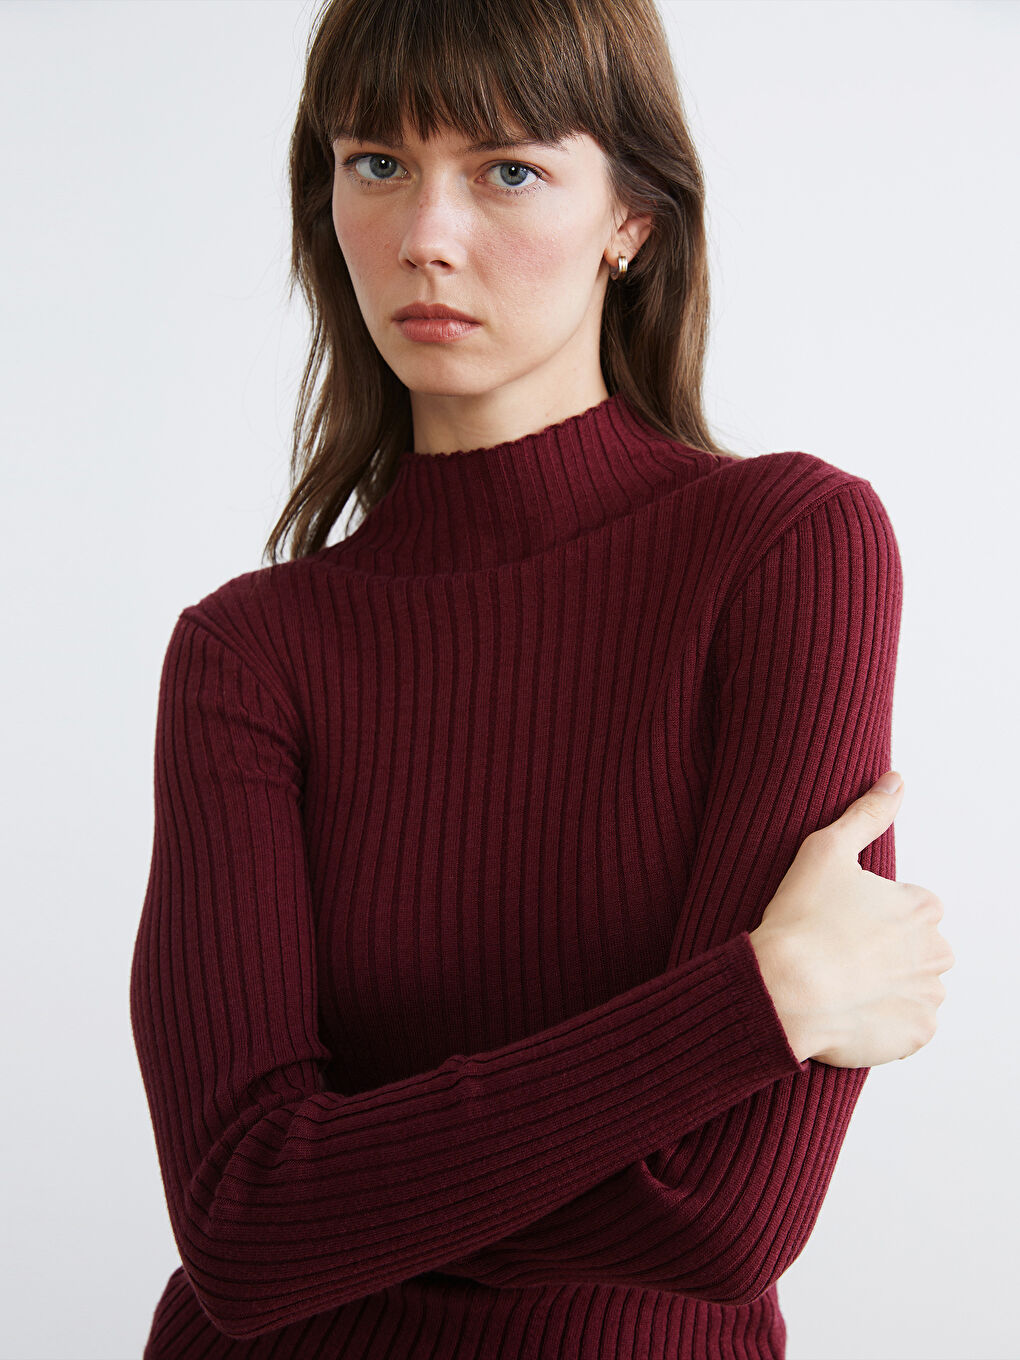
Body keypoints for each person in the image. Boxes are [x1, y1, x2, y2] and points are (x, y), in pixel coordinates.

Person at [128, 0, 955, 1355]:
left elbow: (722, 1219)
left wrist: (347, 1201)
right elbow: (243, 1229)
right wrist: (758, 1004)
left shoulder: (785, 550)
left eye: (506, 169)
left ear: (632, 217)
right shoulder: (247, 654)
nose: (425, 235)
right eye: (376, 163)